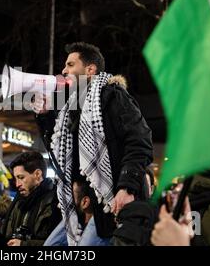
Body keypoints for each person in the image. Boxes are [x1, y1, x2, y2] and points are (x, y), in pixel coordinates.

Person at [36, 42, 153, 245]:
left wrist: (127, 188)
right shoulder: (72, 108)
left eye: (71, 64)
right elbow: (62, 157)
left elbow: (140, 140)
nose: (64, 70)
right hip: (83, 207)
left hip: (109, 203)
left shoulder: (113, 96)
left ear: (90, 70)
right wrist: (45, 117)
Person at [0, 152, 61, 246]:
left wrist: (24, 244)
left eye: (21, 177)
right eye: (16, 179)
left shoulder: (56, 202)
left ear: (37, 174)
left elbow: (61, 243)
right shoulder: (18, 202)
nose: (17, 184)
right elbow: (7, 239)